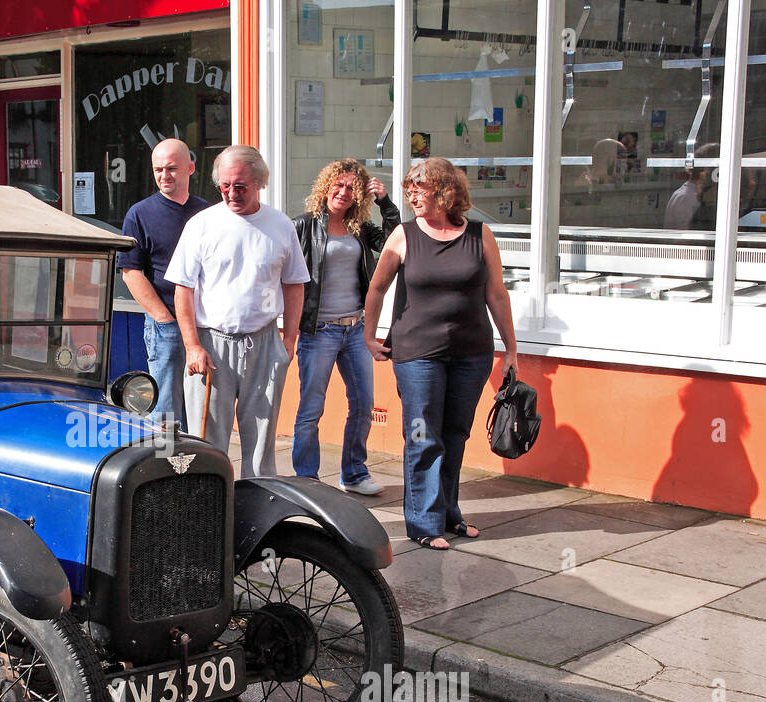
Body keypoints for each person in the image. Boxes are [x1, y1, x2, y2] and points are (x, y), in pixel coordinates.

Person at [364, 157, 518, 551]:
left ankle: (449, 514)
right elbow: (378, 288)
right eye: (409, 190)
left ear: (445, 191)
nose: (412, 196)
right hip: (417, 353)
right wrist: (369, 335)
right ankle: (423, 522)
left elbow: (496, 294)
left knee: (455, 435)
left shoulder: (480, 235)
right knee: (422, 435)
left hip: (471, 352)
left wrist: (511, 348)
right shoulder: (404, 235)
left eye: (420, 189)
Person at [165, 144, 309, 478]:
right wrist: (192, 346)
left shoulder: (281, 225)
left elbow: (295, 284)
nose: (231, 193)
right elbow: (183, 289)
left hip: (264, 342)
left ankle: (259, 510)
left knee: (261, 440)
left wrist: (289, 339)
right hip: (210, 346)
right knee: (207, 442)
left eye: (240, 186)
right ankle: (207, 510)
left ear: (259, 183)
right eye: (225, 186)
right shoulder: (202, 225)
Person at [291, 159, 401, 495]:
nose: (343, 192)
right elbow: (283, 273)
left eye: (351, 188)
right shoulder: (304, 225)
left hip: (355, 329)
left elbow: (394, 240)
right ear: (326, 186)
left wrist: (385, 202)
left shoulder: (361, 229)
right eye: (338, 185)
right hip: (318, 331)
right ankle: (307, 478)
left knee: (364, 404)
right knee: (312, 408)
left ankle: (354, 474)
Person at [119, 139, 211, 429]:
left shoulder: (207, 214)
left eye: (171, 168)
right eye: (158, 169)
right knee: (166, 412)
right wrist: (164, 318)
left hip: (205, 324)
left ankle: (199, 468)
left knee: (201, 407)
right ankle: (167, 468)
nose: (164, 175)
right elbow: (131, 272)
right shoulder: (140, 214)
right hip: (166, 326)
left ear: (190, 168)